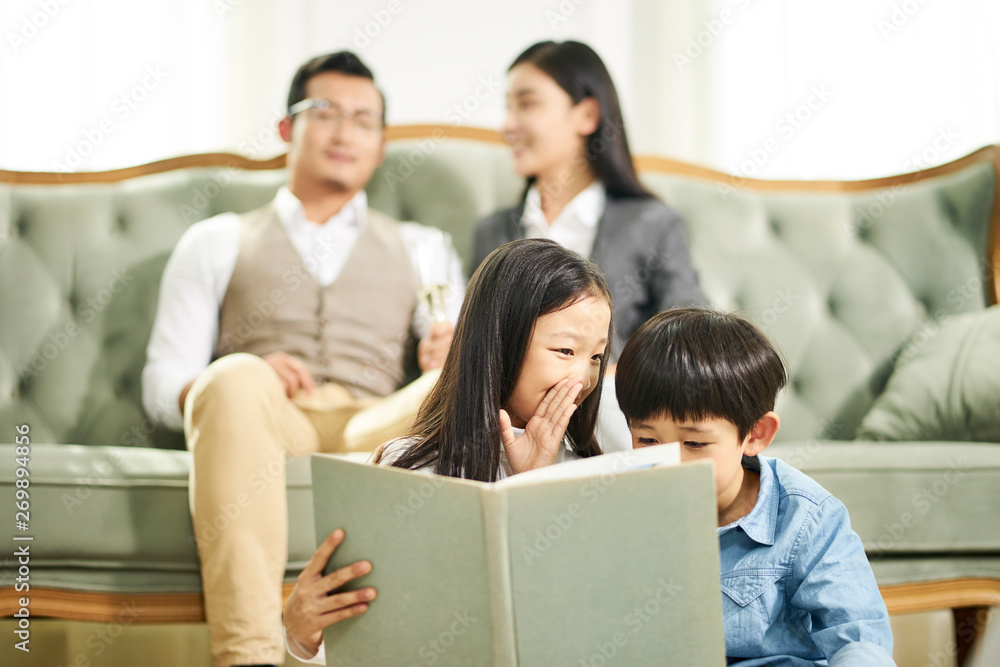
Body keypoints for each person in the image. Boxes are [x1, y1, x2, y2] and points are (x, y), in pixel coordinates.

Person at [141, 51, 464, 667]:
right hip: (269, 420)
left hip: (376, 420)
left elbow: (444, 347)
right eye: (326, 113)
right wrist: (248, 374)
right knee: (233, 377)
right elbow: (162, 381)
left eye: (364, 120)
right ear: (286, 129)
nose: (345, 132)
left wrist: (444, 358)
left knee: (463, 376)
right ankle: (250, 657)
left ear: (380, 144)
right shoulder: (216, 240)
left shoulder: (425, 247)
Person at [282, 238, 617, 663]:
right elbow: (363, 634)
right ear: (500, 342)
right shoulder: (404, 467)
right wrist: (299, 635)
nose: (582, 377)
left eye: (595, 357)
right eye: (565, 351)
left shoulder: (595, 475)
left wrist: (535, 483)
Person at [614, 308, 895, 666]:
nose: (671, 462)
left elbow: (859, 637)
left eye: (695, 444)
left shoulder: (805, 517)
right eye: (647, 439)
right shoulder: (625, 505)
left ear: (755, 434)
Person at [474, 40, 708, 360]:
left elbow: (694, 346)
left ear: (586, 115)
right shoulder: (491, 232)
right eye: (508, 107)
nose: (507, 126)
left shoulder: (653, 224)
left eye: (526, 104)